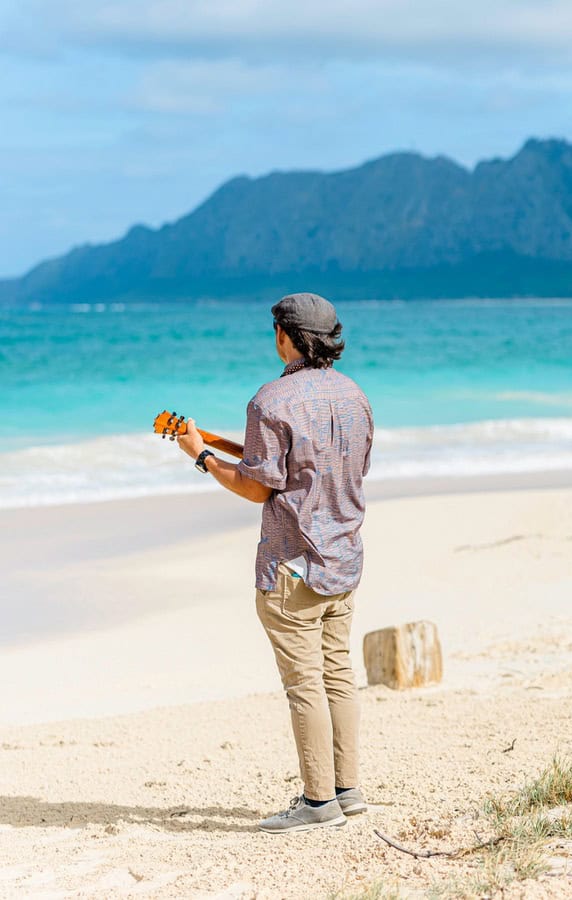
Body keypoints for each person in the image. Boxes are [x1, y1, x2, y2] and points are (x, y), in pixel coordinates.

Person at [177, 292, 374, 834]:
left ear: (287, 336)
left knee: (304, 685)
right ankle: (346, 791)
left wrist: (201, 456)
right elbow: (316, 467)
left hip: (292, 568)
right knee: (338, 677)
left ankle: (316, 803)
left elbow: (257, 488)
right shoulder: (356, 397)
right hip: (343, 559)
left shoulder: (272, 400)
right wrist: (225, 444)